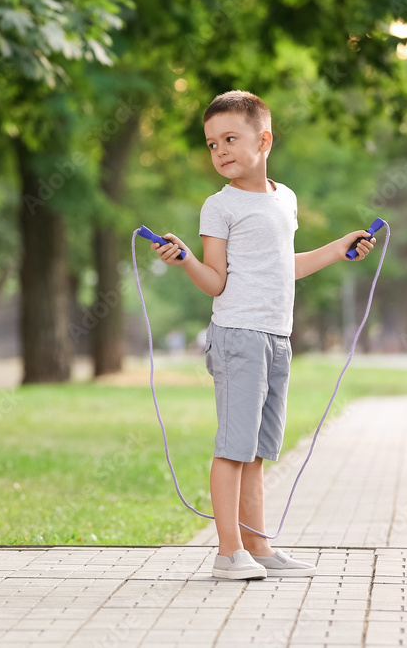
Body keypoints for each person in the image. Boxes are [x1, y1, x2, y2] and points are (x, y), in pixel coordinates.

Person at [150, 91, 375, 580]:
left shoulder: (285, 198)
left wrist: (338, 249)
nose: (220, 152)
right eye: (212, 144)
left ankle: (259, 548)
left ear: (264, 139)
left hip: (277, 337)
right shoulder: (219, 206)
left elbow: (281, 267)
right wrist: (186, 259)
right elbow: (217, 280)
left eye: (230, 139)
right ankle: (228, 553)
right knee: (233, 447)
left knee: (257, 451)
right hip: (238, 337)